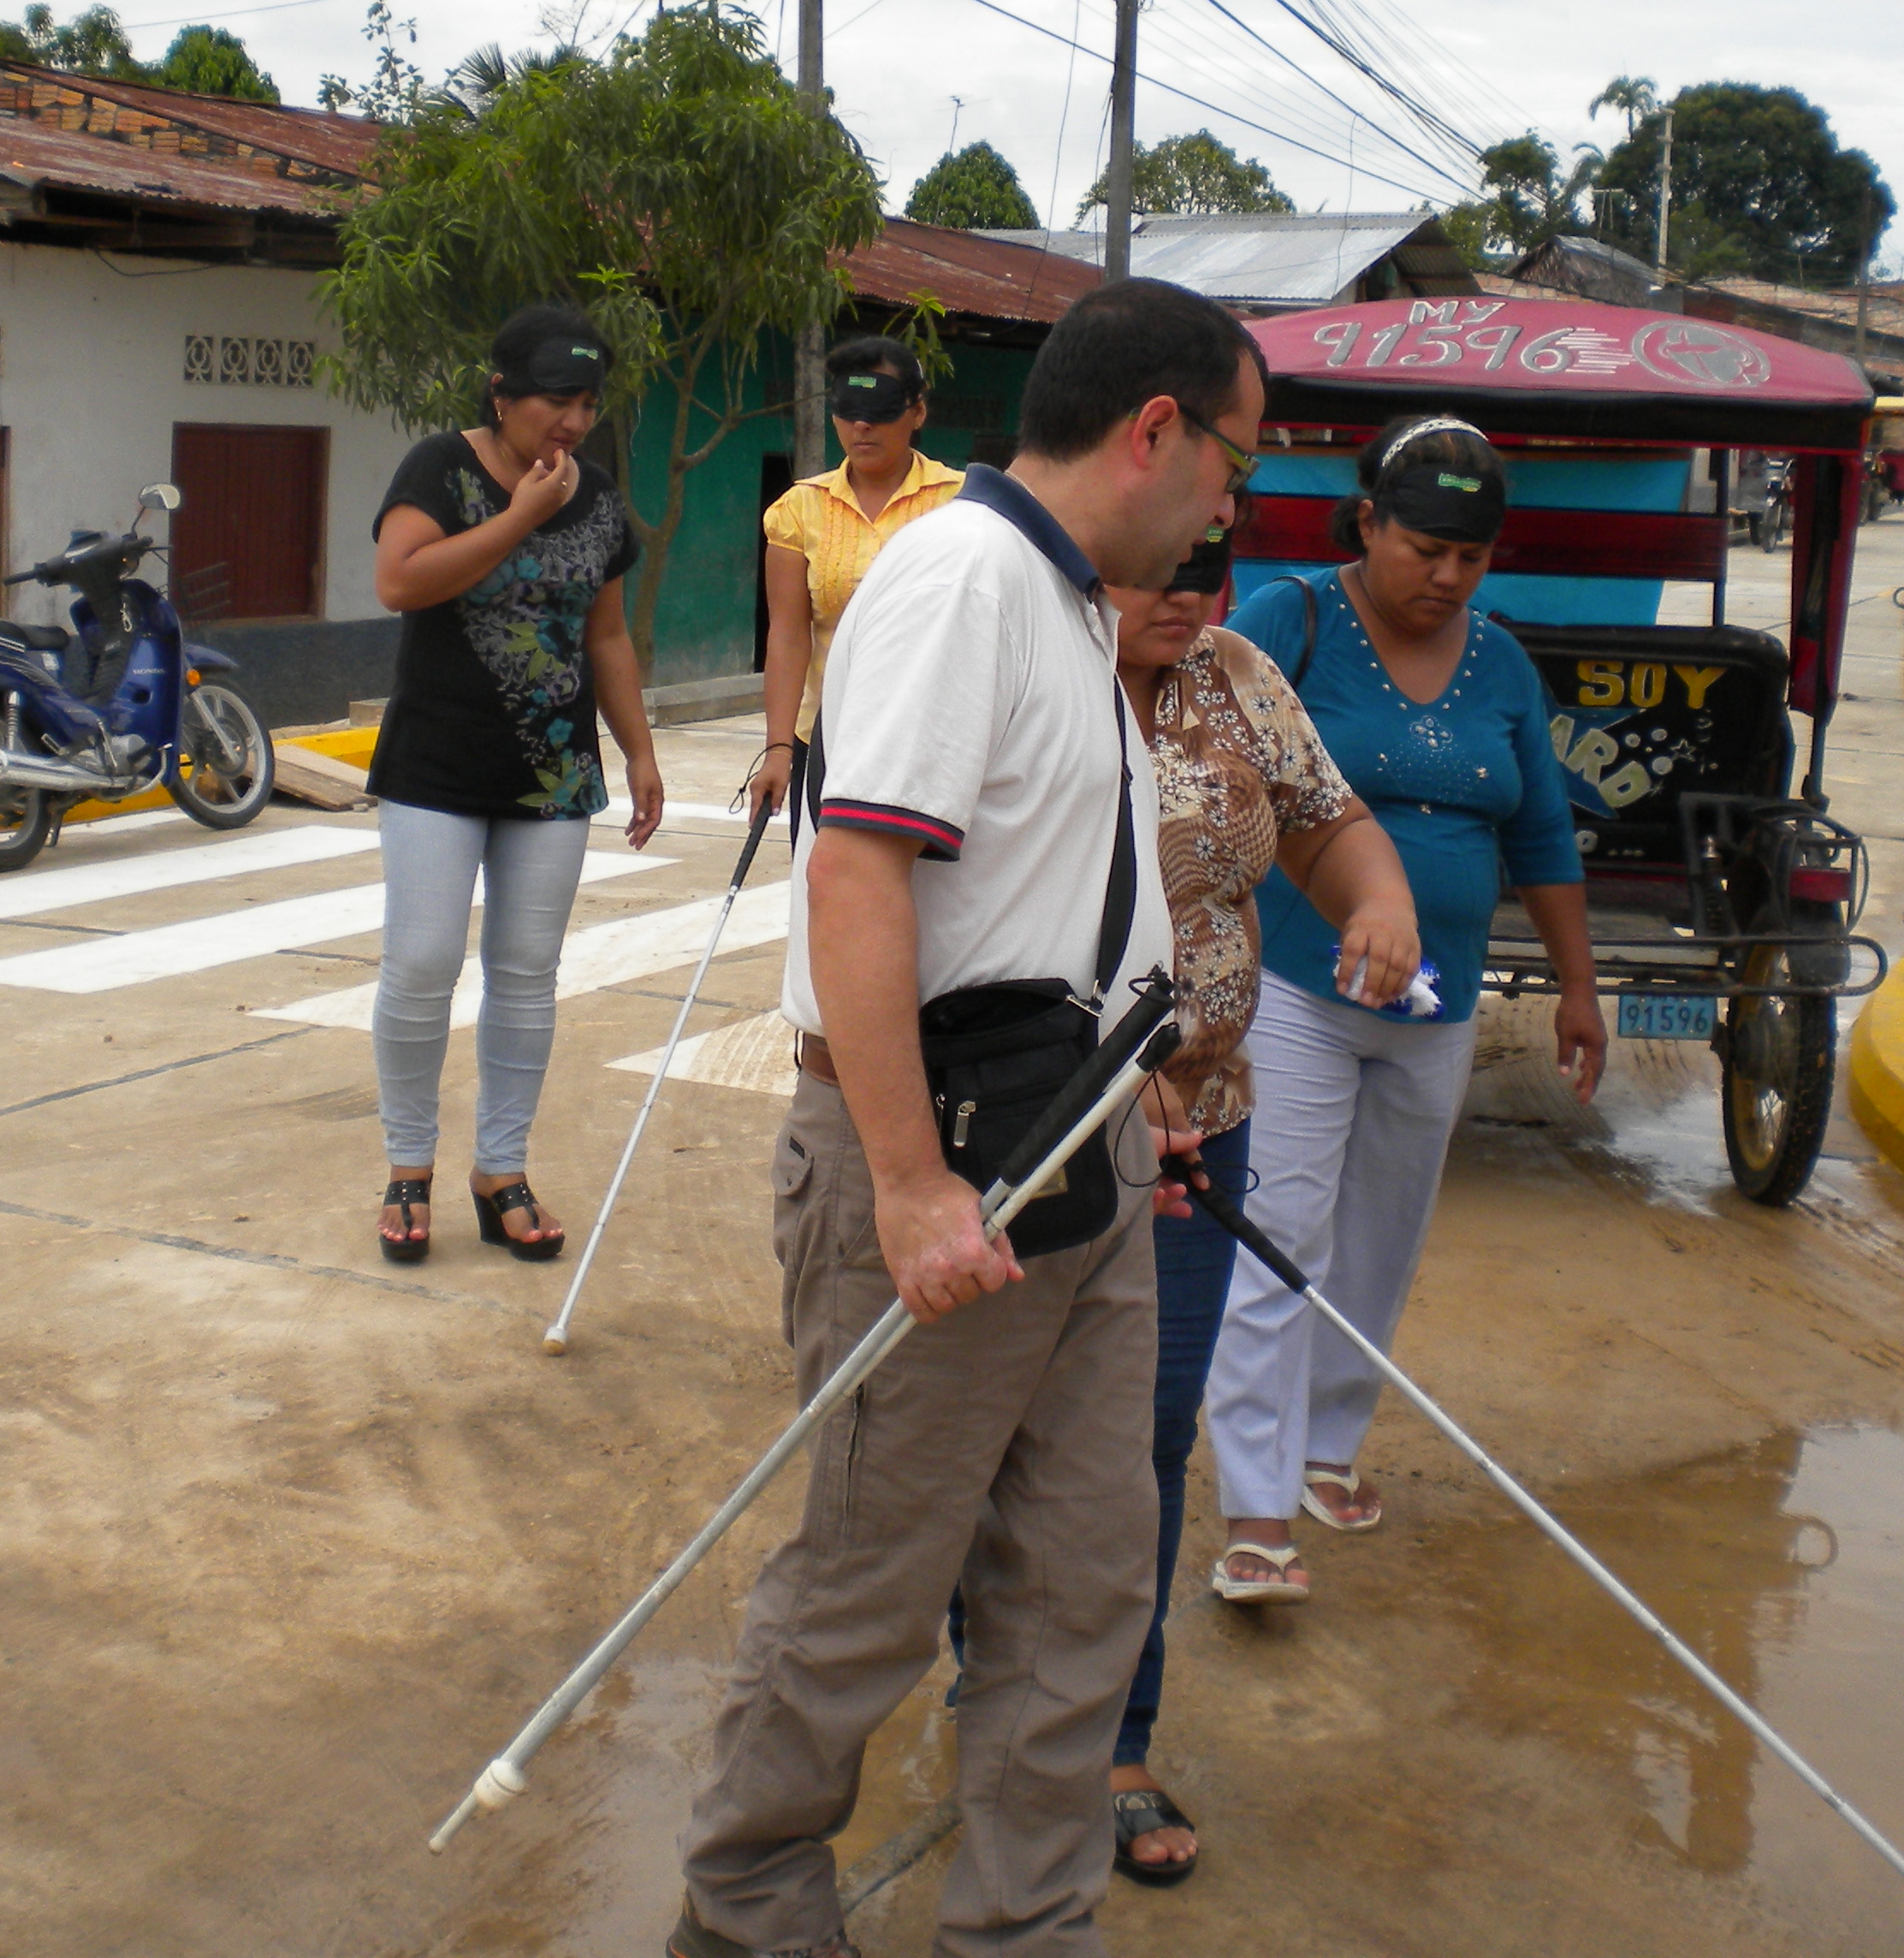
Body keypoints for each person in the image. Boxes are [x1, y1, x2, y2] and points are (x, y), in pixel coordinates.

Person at [672, 277, 1260, 1958]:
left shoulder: (1077, 598)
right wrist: (917, 1187)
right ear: (1157, 431)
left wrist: (1137, 1103)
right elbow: (858, 871)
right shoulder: (962, 581)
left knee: (1080, 1592)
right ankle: (749, 1911)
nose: (1235, 504)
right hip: (932, 1172)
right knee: (868, 1590)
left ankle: (1019, 1930)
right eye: (1234, 459)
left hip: (1072, 1164)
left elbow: (1043, 891)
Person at [1201, 416, 1607, 1605]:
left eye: (1470, 557)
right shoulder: (1293, 622)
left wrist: (1577, 986)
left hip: (1440, 1010)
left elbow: (1539, 833)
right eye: (1423, 546)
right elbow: (1213, 774)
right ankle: (1255, 1504)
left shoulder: (1503, 665)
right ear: (1367, 520)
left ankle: (1329, 1445)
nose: (1445, 574)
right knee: (1278, 1238)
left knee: (1379, 1246)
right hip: (1297, 993)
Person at [1098, 525, 1421, 1890]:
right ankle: (989, 1691)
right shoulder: (1024, 669)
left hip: (1203, 1136)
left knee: (1147, 1433)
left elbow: (1324, 819)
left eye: (1212, 565)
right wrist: (1111, 1094)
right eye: (1159, 566)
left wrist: (1379, 895)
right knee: (1004, 1439)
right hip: (1044, 1134)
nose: (1189, 594)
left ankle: (1113, 1739)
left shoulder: (1233, 677)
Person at [365, 303, 663, 1266]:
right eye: (553, 401)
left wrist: (639, 752)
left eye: (584, 403)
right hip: (435, 765)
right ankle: (408, 1164)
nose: (571, 422)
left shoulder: (601, 495)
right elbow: (400, 582)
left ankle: (502, 1170)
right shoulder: (437, 469)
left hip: (552, 773)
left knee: (527, 973)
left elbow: (606, 633)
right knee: (420, 962)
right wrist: (520, 517)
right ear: (501, 394)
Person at [749, 335, 965, 829]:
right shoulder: (797, 509)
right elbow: (787, 635)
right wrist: (778, 750)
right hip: (826, 738)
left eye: (881, 409)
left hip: (932, 741)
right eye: (848, 409)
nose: (862, 425)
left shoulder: (963, 501)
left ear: (918, 413)